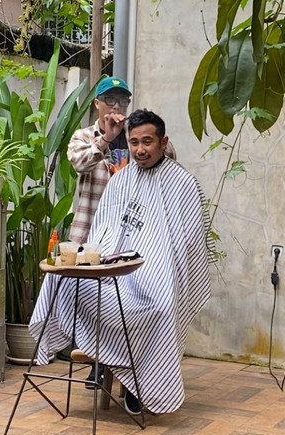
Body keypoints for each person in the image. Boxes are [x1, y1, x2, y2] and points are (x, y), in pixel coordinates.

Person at [29, 109, 212, 415]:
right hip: (115, 276)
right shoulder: (120, 180)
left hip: (157, 282)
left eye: (148, 141)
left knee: (162, 307)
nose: (140, 149)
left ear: (163, 141)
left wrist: (161, 268)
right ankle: (107, 360)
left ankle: (140, 383)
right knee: (61, 279)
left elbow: (188, 243)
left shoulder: (183, 184)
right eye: (134, 142)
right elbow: (101, 232)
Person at [67, 76, 175, 244]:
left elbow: (170, 157)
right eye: (109, 99)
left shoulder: (135, 135)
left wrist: (146, 132)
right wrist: (107, 138)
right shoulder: (83, 136)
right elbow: (80, 164)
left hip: (133, 228)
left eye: (122, 100)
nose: (116, 105)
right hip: (92, 227)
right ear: (97, 103)